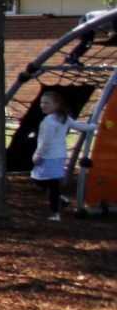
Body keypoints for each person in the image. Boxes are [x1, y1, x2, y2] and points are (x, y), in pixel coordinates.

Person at [31, 90, 90, 222]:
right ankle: (60, 200)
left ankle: (56, 212)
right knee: (43, 181)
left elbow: (46, 141)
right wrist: (93, 126)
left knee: (46, 182)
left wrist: (37, 155)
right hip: (59, 156)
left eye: (47, 103)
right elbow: (80, 127)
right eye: (41, 102)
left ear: (56, 104)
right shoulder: (62, 117)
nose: (43, 105)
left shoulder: (50, 121)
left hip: (49, 156)